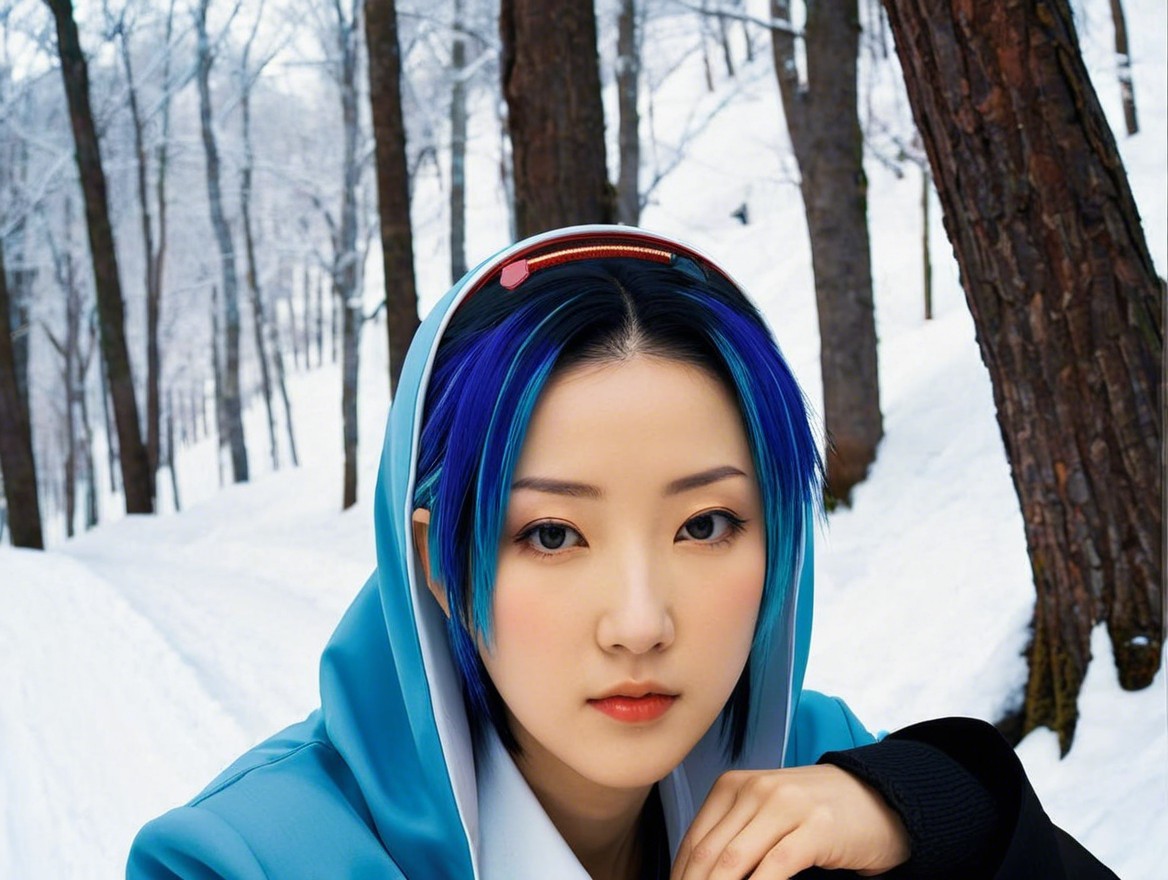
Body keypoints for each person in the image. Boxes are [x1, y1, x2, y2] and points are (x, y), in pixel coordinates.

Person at [128, 226, 1118, 879]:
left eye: (704, 525)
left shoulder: (819, 778)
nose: (641, 623)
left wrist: (931, 811)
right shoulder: (239, 860)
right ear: (439, 560)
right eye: (552, 534)